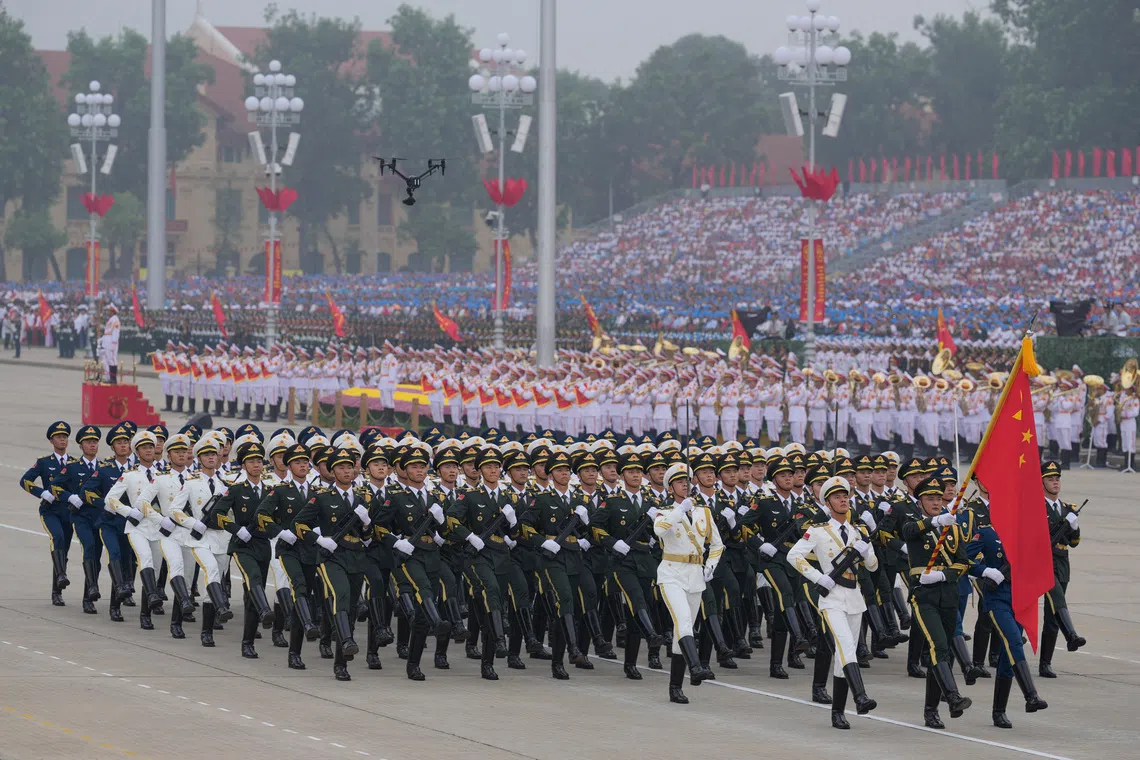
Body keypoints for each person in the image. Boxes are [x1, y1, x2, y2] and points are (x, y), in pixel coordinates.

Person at [787, 475, 879, 729]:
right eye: (837, 497)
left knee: (843, 657)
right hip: (832, 598)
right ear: (827, 503)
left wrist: (866, 551)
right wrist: (819, 577)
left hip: (854, 597)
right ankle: (860, 696)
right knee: (846, 646)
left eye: (845, 496)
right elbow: (793, 556)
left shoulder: (857, 532)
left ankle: (838, 712)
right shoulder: (818, 531)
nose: (843, 500)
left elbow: (873, 566)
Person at [965, 492, 1049, 728]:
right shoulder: (988, 534)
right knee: (1014, 642)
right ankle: (1030, 695)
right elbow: (963, 559)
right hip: (998, 599)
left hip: (1020, 599)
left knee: (1006, 655)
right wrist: (985, 572)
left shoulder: (1025, 538)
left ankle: (998, 711)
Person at [294, 448, 374, 681]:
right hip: (332, 557)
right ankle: (347, 640)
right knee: (341, 595)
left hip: (356, 556)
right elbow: (300, 524)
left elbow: (367, 537)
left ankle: (341, 662)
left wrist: (367, 523)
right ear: (332, 471)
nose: (346, 471)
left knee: (349, 606)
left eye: (349, 467)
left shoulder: (362, 498)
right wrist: (319, 539)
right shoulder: (321, 497)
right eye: (341, 467)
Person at [901, 474, 972, 729]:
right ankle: (952, 696)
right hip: (924, 595)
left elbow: (963, 561)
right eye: (930, 499)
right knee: (938, 646)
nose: (935, 502)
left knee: (941, 654)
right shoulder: (915, 522)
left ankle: (931, 711)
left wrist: (944, 574)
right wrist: (934, 522)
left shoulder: (952, 527)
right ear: (920, 501)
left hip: (948, 593)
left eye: (938, 498)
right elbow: (908, 532)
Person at [654, 462, 720, 704]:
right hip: (671, 574)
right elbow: (660, 530)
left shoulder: (704, 512)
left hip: (695, 576)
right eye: (680, 482)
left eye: (687, 481)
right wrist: (680, 510)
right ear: (670, 488)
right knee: (682, 622)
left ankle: (675, 687)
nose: (685, 484)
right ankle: (696, 666)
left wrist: (711, 565)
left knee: (682, 633)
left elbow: (717, 544)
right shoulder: (664, 511)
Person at [257, 442, 323, 670]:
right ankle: (307, 625)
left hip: (310, 550)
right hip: (288, 549)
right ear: (289, 465)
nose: (303, 465)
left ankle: (295, 651)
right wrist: (280, 531)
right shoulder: (281, 491)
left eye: (305, 462)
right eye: (297, 462)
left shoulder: (318, 492)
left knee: (304, 593)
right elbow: (262, 516)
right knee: (299, 587)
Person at [171, 435, 237, 646]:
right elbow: (174, 510)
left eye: (213, 454)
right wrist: (193, 523)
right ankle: (177, 621)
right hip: (199, 538)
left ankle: (207, 631)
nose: (211, 458)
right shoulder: (191, 483)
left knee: (214, 579)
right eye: (206, 455)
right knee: (205, 573)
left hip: (222, 539)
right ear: (199, 458)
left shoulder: (226, 483)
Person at [213, 441, 277, 659]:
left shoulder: (271, 490)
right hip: (242, 546)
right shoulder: (237, 489)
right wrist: (236, 529)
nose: (257, 465)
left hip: (263, 545)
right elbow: (218, 514)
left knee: (251, 595)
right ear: (244, 465)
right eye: (252, 461)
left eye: (259, 461)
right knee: (254, 578)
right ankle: (266, 611)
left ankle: (248, 642)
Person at [1038, 460, 1086, 677]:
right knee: (1057, 599)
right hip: (1041, 562)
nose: (1055, 481)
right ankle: (1071, 635)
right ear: (1041, 482)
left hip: (1061, 563)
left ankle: (1045, 663)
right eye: (1050, 478)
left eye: (1057, 478)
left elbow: (1074, 543)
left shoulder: (1069, 509)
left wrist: (1074, 526)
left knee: (1052, 615)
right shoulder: (1035, 507)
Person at [20, 421, 76, 606]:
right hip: (50, 510)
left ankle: (57, 589)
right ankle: (60, 579)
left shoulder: (74, 463)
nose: (62, 440)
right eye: (59, 437)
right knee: (57, 538)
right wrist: (41, 492)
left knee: (63, 550)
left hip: (67, 512)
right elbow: (25, 480)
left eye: (65, 437)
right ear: (52, 440)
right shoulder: (44, 462)